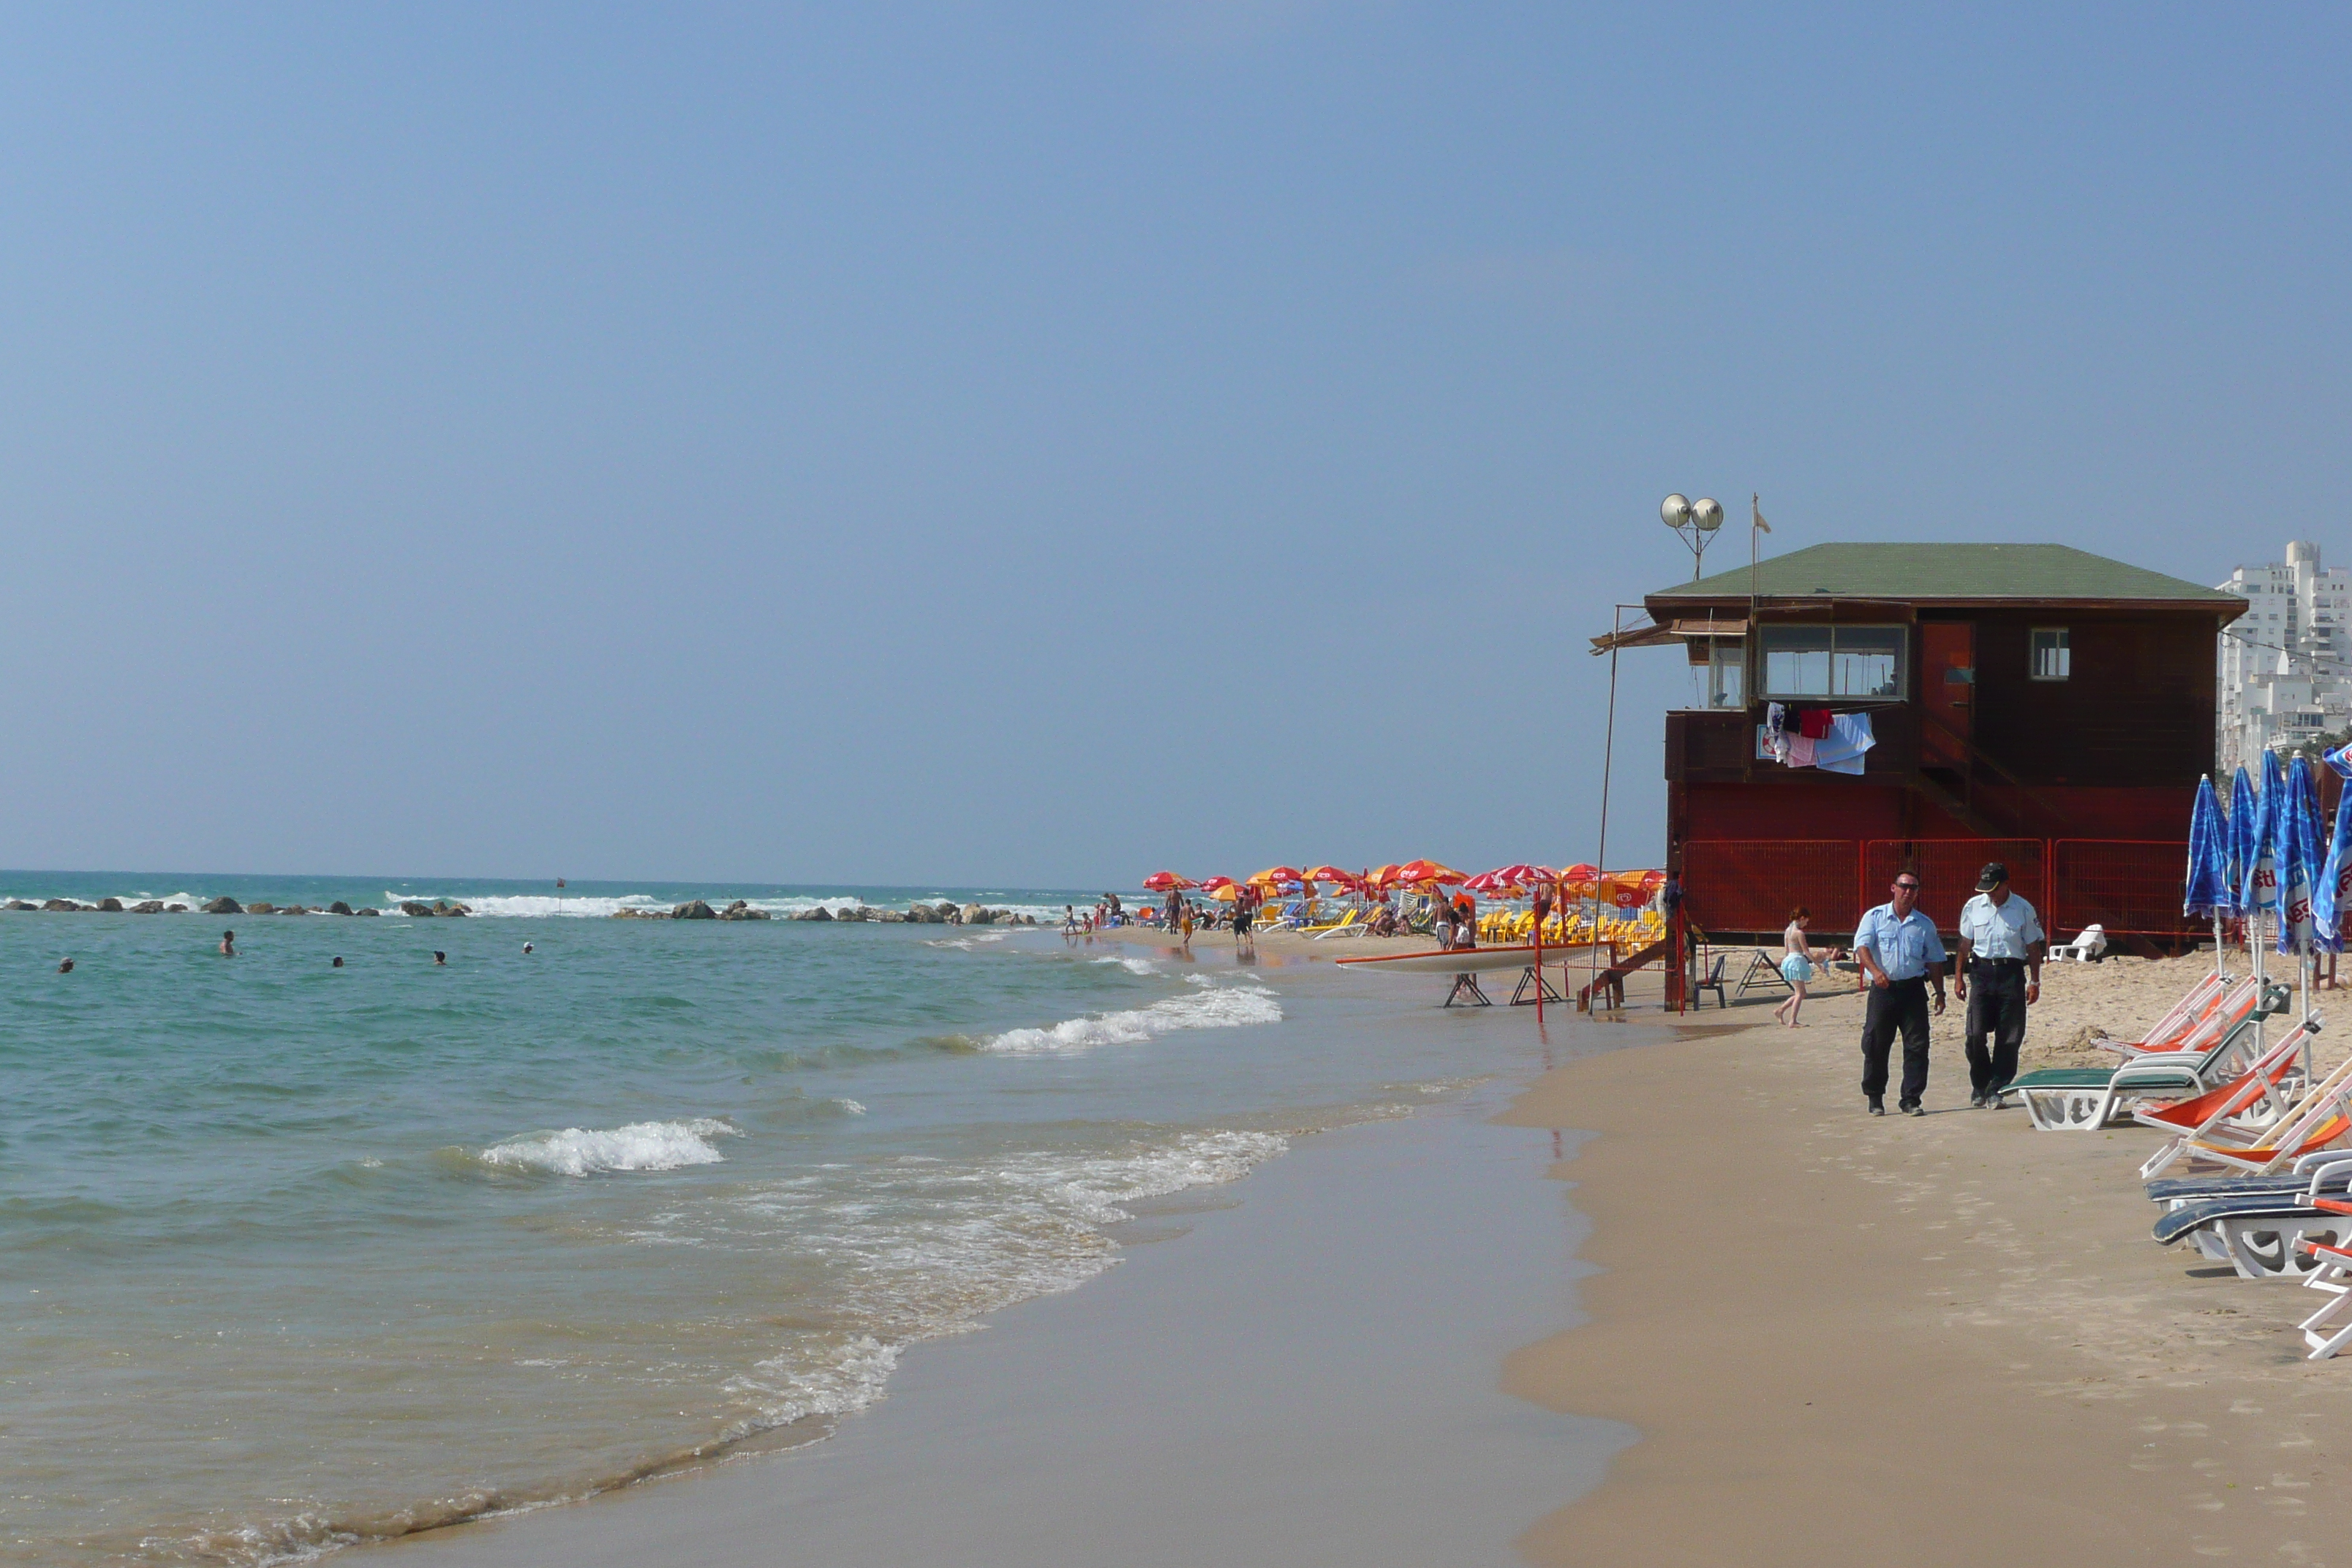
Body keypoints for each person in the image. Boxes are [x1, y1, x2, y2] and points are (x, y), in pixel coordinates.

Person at [1853, 872, 1948, 1116]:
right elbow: (1862, 947)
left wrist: (1940, 992)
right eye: (1904, 886)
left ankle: (1911, 1099)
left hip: (1913, 990)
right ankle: (1875, 1098)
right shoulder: (1874, 918)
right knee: (1876, 1044)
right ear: (1893, 888)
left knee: (1918, 1046)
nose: (1908, 891)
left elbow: (1936, 960)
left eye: (1913, 888)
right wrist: (1875, 972)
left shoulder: (1924, 924)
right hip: (1884, 990)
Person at [1955, 861, 2045, 1108]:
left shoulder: (2023, 909)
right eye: (1986, 889)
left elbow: (2033, 947)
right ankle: (1979, 1085)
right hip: (1981, 972)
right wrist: (1959, 977)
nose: (1990, 894)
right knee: (1975, 1034)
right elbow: (1964, 944)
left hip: (2011, 973)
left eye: (1994, 889)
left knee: (2009, 1036)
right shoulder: (1973, 907)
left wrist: (2035, 981)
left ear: (2006, 884)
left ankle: (1997, 1087)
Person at [1772, 907, 1838, 1028]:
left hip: (1789, 960)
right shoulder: (1799, 933)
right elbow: (1807, 952)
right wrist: (1819, 965)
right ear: (1802, 918)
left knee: (1801, 993)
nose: (1806, 923)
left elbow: (1787, 950)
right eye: (1806, 921)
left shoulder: (1788, 930)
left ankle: (1780, 1011)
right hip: (1796, 961)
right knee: (1799, 993)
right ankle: (1792, 1021)